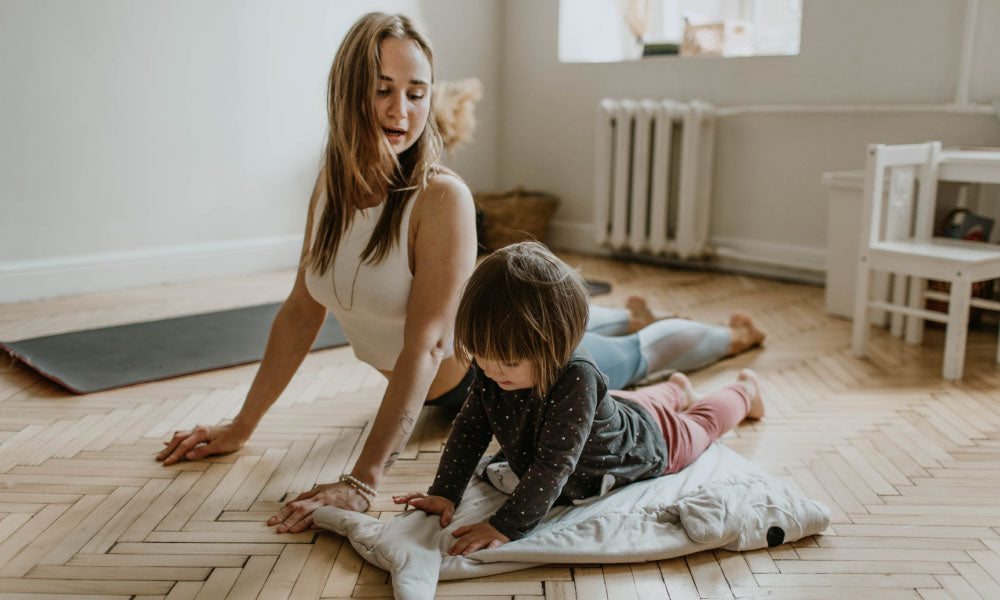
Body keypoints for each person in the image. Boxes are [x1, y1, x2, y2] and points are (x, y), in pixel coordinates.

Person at [155, 12, 763, 534]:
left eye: (417, 92)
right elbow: (299, 312)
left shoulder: (439, 197)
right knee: (618, 350)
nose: (402, 110)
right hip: (480, 370)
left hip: (511, 374)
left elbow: (426, 345)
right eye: (383, 88)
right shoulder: (330, 188)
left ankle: (729, 340)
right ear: (346, 91)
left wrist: (362, 481)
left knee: (631, 355)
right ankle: (641, 341)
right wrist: (242, 425)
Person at [392, 242, 764, 554]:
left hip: (648, 441)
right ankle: (677, 388)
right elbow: (471, 428)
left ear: (556, 346)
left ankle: (744, 391)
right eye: (481, 357)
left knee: (701, 423)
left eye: (508, 362)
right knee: (633, 404)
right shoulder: (494, 367)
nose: (491, 371)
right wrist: (445, 492)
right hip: (615, 410)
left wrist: (505, 526)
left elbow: (554, 465)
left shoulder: (577, 377)